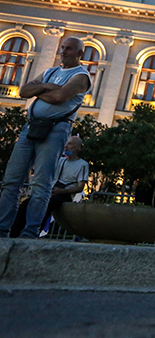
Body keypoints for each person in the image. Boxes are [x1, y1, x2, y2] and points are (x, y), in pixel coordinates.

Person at [0, 37, 91, 238]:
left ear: (79, 54)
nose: (63, 51)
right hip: (30, 128)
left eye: (69, 49)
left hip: (56, 130)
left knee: (41, 184)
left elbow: (60, 97)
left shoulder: (81, 76)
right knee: (11, 181)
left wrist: (40, 89)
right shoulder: (51, 72)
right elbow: (24, 91)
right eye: (63, 47)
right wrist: (49, 87)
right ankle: (2, 229)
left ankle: (30, 232)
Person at [42, 136, 90, 230]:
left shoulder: (83, 165)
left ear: (77, 148)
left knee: (48, 205)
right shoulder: (60, 161)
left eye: (70, 144)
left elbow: (80, 187)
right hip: (53, 189)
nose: (66, 146)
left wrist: (61, 191)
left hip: (65, 194)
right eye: (66, 143)